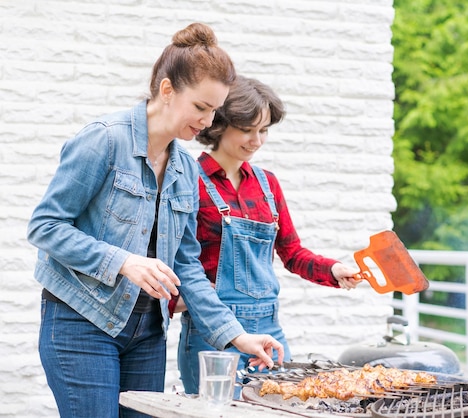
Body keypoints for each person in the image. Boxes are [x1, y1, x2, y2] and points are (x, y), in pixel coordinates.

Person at [26, 23, 283, 418]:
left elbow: (186, 266)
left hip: (147, 333)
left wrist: (236, 336)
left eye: (215, 110)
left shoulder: (185, 169)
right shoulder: (105, 140)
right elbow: (45, 226)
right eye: (200, 107)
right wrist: (123, 261)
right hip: (82, 325)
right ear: (167, 90)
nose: (209, 120)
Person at [171, 75, 361, 396]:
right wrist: (180, 301)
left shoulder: (267, 184)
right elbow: (176, 258)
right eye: (247, 129)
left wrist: (333, 270)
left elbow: (292, 252)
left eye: (264, 130)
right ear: (218, 124)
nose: (256, 140)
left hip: (269, 330)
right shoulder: (189, 179)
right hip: (214, 333)